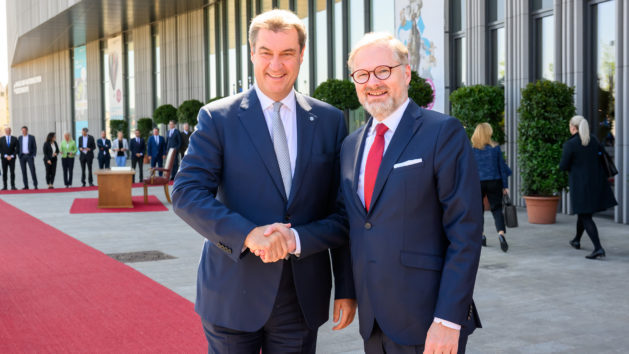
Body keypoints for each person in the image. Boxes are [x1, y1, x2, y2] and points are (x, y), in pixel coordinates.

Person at [172, 9, 356, 353]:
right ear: (252, 54)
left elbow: (343, 213)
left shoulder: (330, 121)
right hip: (231, 292)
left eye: (287, 53)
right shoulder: (217, 118)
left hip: (301, 298)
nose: (277, 64)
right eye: (267, 53)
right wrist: (248, 234)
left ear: (302, 55)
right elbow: (186, 193)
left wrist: (346, 286)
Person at [339, 33, 482, 353]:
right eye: (361, 74)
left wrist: (448, 320)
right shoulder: (350, 146)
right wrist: (347, 290)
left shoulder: (443, 132)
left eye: (383, 71)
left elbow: (465, 232)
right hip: (373, 321)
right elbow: (354, 226)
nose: (372, 82)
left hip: (428, 321)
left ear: (406, 73)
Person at [559, 115, 617, 260]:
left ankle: (598, 248)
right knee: (584, 213)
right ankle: (576, 240)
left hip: (581, 185)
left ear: (573, 127)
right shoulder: (594, 140)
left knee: (585, 216)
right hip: (596, 183)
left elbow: (563, 166)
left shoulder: (570, 144)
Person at [471, 123, 512, 252]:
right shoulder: (496, 148)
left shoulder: (472, 150)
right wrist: (505, 186)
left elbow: (467, 170)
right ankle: (501, 235)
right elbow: (501, 168)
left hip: (477, 183)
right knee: (496, 209)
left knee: (478, 210)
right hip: (495, 181)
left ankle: (481, 236)